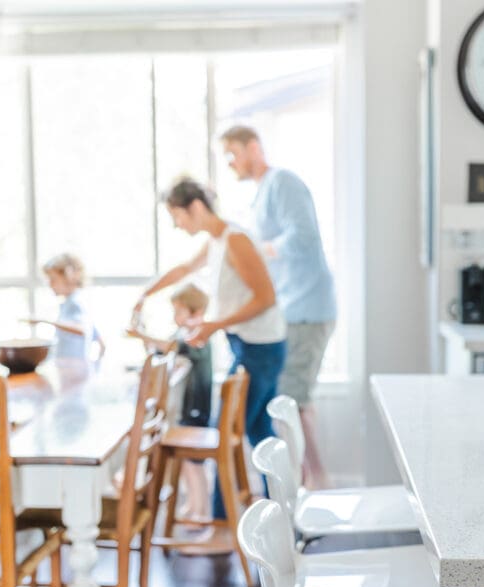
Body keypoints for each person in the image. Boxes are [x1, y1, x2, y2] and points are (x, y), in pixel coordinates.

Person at [133, 178, 286, 519]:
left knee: (224, 434)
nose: (177, 224)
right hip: (249, 345)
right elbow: (184, 269)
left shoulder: (236, 240)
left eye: (177, 215)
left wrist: (215, 325)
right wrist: (146, 293)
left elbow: (266, 298)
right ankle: (281, 506)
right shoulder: (217, 241)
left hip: (260, 349)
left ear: (196, 207)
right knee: (259, 431)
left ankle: (222, 520)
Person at [220, 125, 336, 489]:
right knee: (291, 399)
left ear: (254, 147)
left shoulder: (282, 182)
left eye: (233, 153)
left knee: (293, 400)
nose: (230, 163)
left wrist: (258, 251)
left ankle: (316, 485)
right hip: (293, 309)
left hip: (307, 308)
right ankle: (307, 483)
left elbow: (303, 236)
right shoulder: (262, 194)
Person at [127, 283, 212, 521]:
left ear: (196, 312)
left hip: (195, 410)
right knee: (188, 464)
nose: (175, 317)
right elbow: (162, 352)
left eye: (179, 311)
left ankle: (200, 511)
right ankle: (194, 507)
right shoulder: (182, 334)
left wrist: (141, 335)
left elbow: (173, 347)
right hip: (187, 411)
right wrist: (143, 335)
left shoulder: (199, 336)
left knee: (194, 465)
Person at [30, 253, 104, 360]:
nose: (50, 284)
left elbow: (81, 329)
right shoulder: (72, 301)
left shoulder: (76, 302)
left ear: (69, 278)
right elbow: (100, 340)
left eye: (53, 279)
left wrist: (44, 320)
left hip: (73, 366)